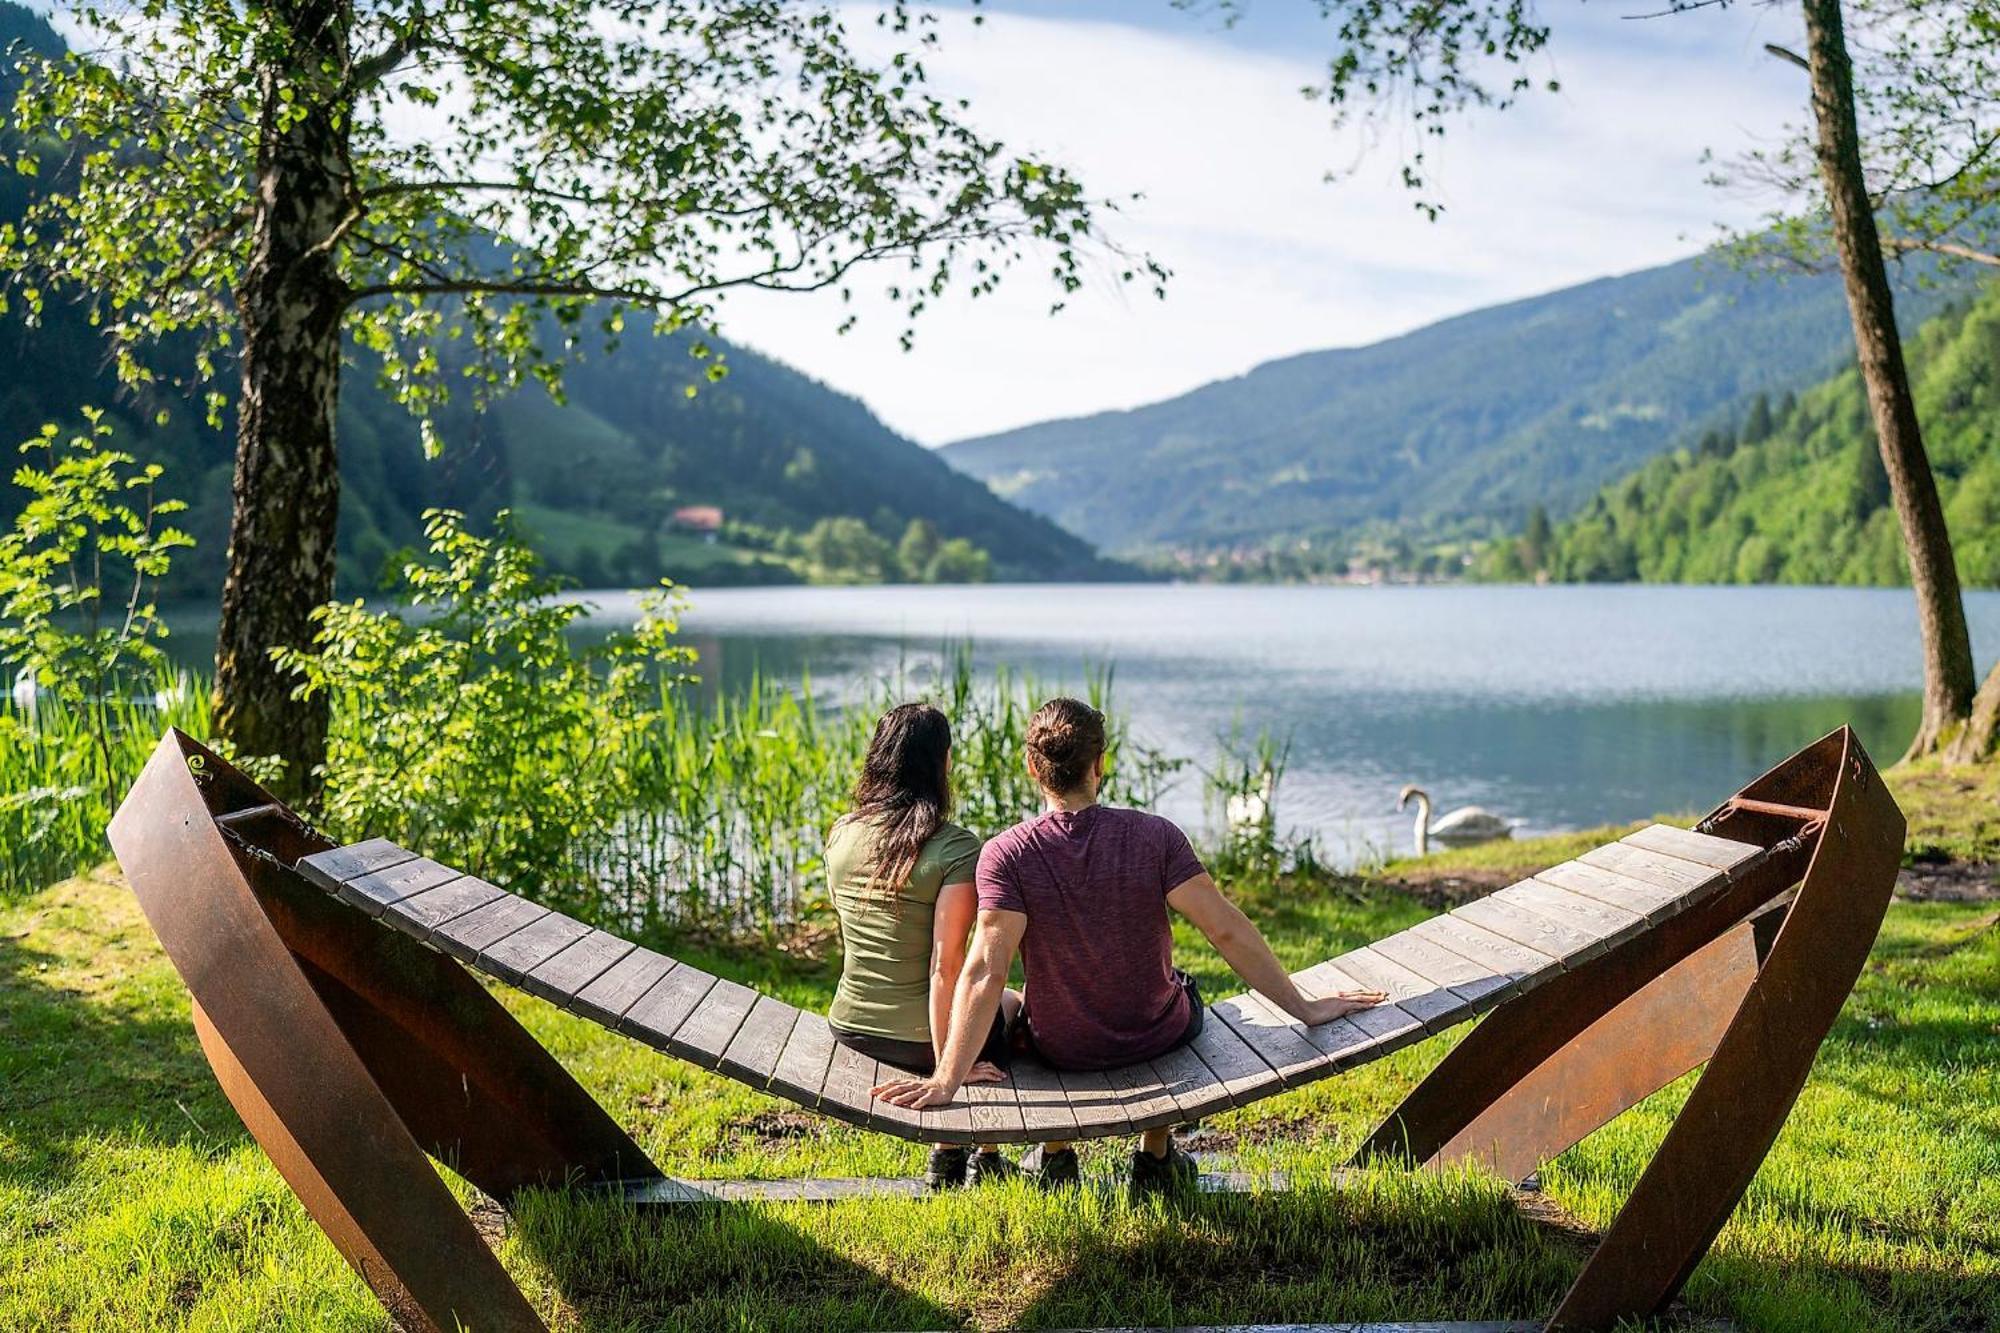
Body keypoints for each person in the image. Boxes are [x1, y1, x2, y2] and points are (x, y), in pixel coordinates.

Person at [872, 696, 1386, 1193]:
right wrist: (1303, 1007)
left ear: (1033, 767)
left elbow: (985, 968)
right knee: (1181, 985)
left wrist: (946, 1079)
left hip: (1064, 1047)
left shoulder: (1007, 854)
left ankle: (1055, 1156)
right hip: (1157, 1033)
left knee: (1023, 1008)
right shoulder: (1155, 836)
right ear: (1100, 763)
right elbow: (1225, 928)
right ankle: (1155, 1154)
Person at [826, 702, 1019, 1190]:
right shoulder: (955, 847)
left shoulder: (841, 834)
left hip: (851, 1026)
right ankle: (980, 1156)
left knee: (997, 1003)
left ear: (878, 759)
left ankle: (952, 1159)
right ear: (944, 762)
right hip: (916, 1041)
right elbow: (944, 969)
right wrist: (946, 1068)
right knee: (1011, 1005)